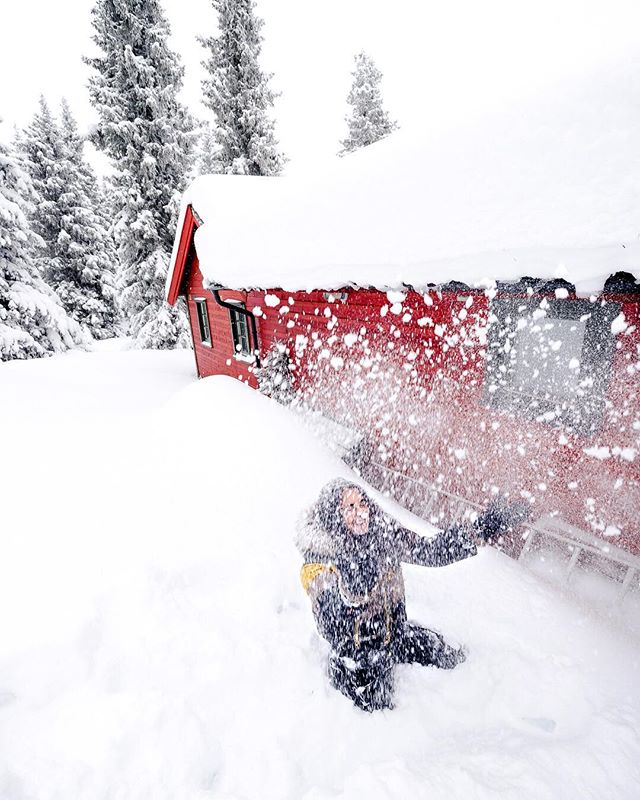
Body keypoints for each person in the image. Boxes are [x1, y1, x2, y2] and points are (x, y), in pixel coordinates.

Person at [296, 478, 529, 712]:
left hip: (394, 636)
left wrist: (484, 528)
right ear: (334, 516)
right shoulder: (320, 559)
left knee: (448, 655)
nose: (361, 513)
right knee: (377, 704)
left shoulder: (383, 537)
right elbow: (331, 623)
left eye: (363, 503)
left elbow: (431, 551)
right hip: (356, 652)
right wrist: (357, 579)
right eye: (350, 507)